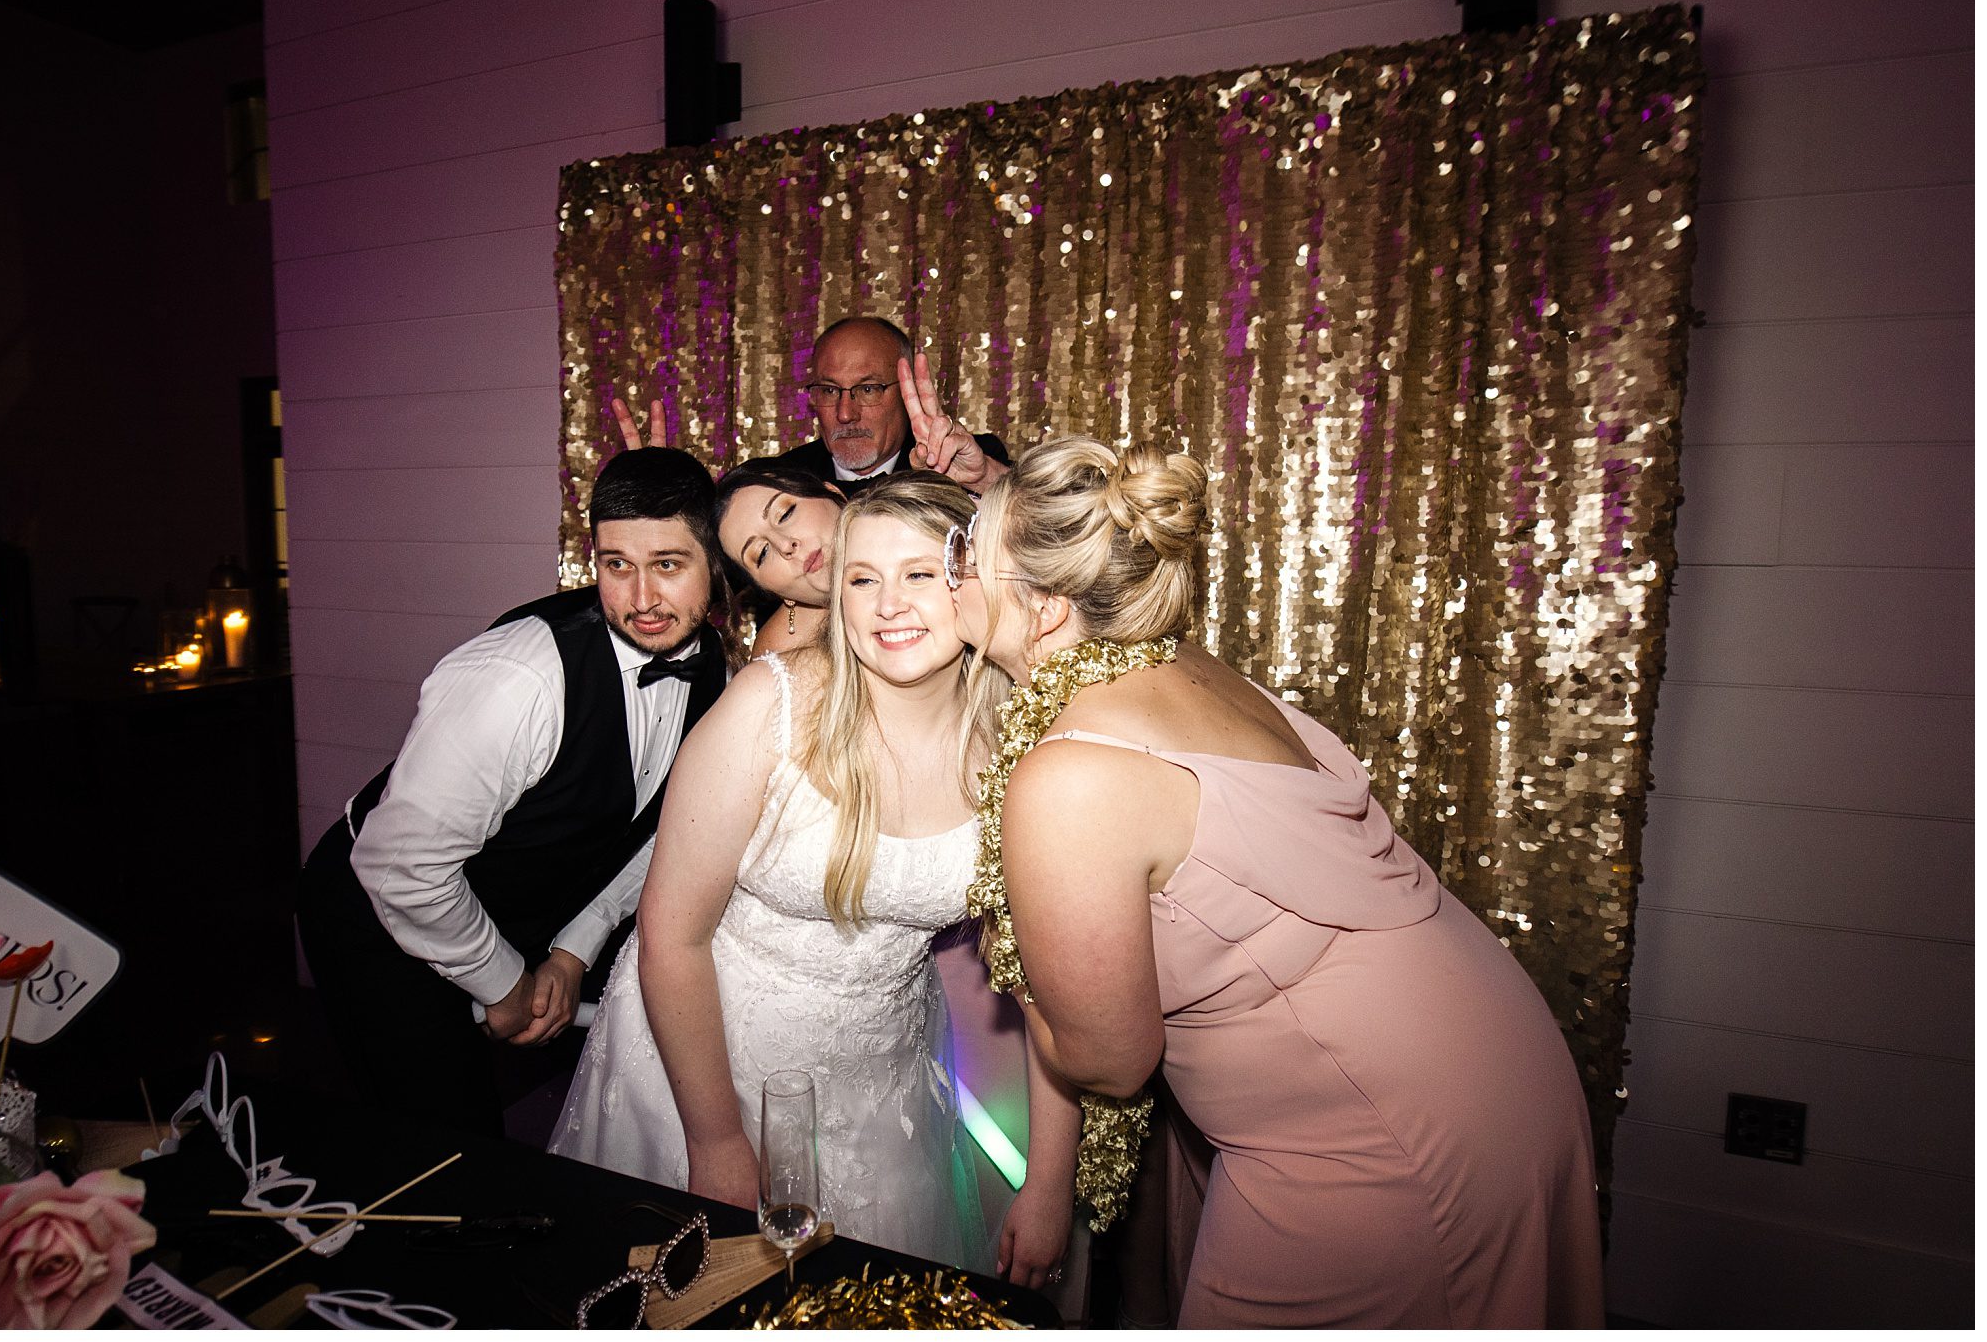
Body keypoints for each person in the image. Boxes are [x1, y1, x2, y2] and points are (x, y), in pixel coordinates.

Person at [950, 436, 1608, 1327]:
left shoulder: (1068, 775)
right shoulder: (1172, 662)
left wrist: (1015, 949)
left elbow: (1108, 1057)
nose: (950, 571)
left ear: (1047, 610)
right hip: (1479, 1049)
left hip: (1380, 1133)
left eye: (967, 556)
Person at [548, 474, 1078, 1286]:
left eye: (919, 573)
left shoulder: (1020, 747)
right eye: (862, 578)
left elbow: (1047, 991)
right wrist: (718, 1138)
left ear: (976, 580)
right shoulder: (771, 705)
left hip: (885, 1080)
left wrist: (1048, 1181)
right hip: (706, 1057)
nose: (886, 603)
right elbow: (671, 934)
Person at [295, 447, 732, 1138]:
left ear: (717, 562)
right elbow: (400, 868)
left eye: (668, 565)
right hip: (375, 914)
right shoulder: (517, 675)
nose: (642, 597)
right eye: (617, 564)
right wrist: (502, 981)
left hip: (508, 916)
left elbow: (657, 835)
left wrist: (571, 949)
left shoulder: (716, 678)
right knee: (441, 1138)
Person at [609, 315, 1010, 495]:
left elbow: (1053, 540)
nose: (846, 413)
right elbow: (707, 572)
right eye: (829, 390)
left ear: (907, 398)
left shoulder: (967, 460)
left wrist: (984, 480)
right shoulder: (772, 482)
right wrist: (657, 498)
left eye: (868, 389)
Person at [711, 459, 846, 656]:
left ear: (834, 493)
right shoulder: (781, 663)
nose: (784, 545)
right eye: (761, 554)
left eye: (784, 514)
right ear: (774, 593)